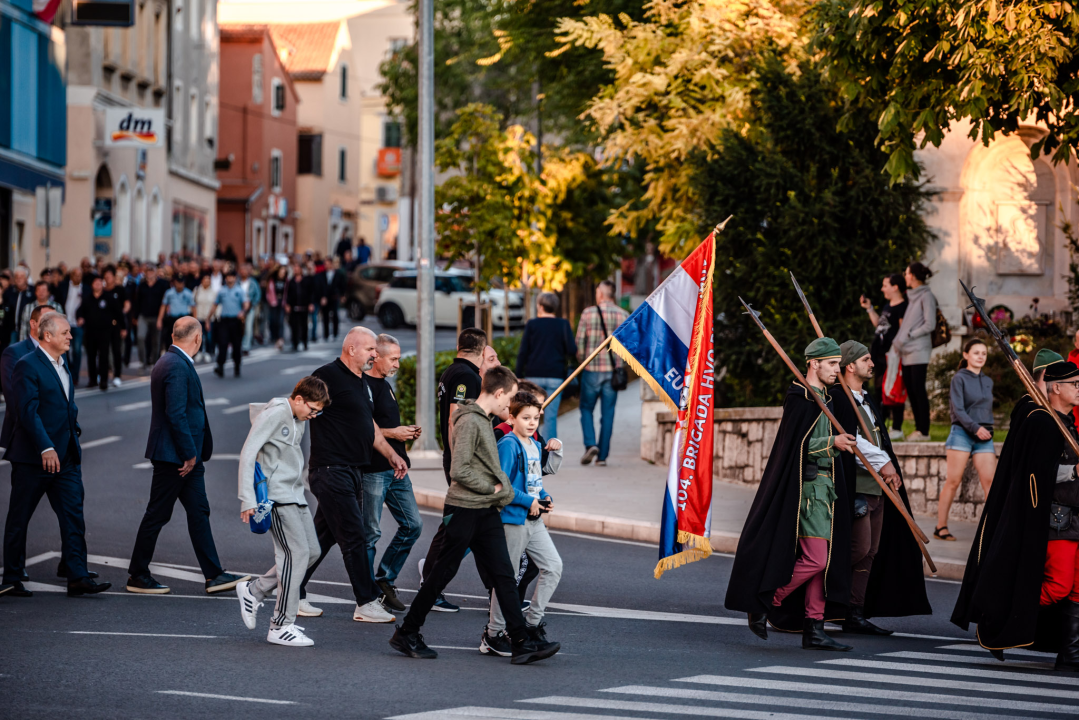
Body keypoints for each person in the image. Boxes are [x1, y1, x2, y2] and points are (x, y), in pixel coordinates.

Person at [389, 366, 561, 664]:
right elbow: (460, 470)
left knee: (505, 575)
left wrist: (498, 493)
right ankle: (407, 632)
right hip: (466, 508)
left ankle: (520, 641)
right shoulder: (470, 420)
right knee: (442, 573)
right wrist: (495, 488)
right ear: (497, 393)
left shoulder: (483, 419)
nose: (510, 406)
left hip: (485, 510)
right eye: (508, 399)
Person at [725, 337, 856, 651]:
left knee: (821, 564)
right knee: (816, 559)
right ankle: (768, 599)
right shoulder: (800, 398)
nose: (837, 371)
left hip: (827, 491)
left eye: (838, 364)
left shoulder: (828, 398)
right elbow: (794, 447)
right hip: (807, 490)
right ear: (814, 363)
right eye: (832, 364)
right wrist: (831, 444)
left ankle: (814, 627)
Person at [952, 360, 1079, 668]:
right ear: (1056, 387)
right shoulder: (1042, 420)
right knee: (1059, 584)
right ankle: (999, 621)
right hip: (1055, 518)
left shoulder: (1068, 421)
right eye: (1075, 384)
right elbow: (1037, 474)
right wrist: (1074, 470)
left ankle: (1071, 654)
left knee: (1076, 587)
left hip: (1075, 515)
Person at [126, 317, 249, 595]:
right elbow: (176, 413)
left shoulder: (169, 361)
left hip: (181, 456)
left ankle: (214, 574)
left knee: (198, 512)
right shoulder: (177, 366)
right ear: (197, 339)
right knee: (157, 514)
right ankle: (137, 573)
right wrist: (189, 454)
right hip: (177, 457)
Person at [295, 327, 407, 623]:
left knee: (322, 537)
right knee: (354, 536)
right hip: (331, 470)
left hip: (352, 471)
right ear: (352, 349)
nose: (375, 354)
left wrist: (391, 454)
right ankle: (366, 602)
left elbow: (368, 426)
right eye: (371, 349)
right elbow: (297, 402)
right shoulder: (327, 375)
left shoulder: (362, 383)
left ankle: (291, 591)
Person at [2, 312, 111, 597]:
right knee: (19, 518)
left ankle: (77, 576)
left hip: (65, 458)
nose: (70, 337)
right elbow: (27, 412)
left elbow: (65, 404)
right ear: (47, 336)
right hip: (33, 458)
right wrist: (45, 446)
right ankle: (12, 576)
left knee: (74, 516)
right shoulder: (27, 365)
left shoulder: (63, 364)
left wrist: (72, 429)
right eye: (65, 332)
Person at [832, 340, 931, 636]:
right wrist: (884, 462)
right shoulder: (839, 396)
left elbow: (878, 440)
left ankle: (853, 611)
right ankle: (811, 594)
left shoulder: (866, 398)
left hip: (878, 487)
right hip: (857, 487)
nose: (872, 363)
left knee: (871, 551)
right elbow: (851, 440)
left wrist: (890, 470)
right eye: (866, 359)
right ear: (850, 366)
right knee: (858, 547)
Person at [235, 376, 329, 647]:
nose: (314, 415)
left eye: (318, 412)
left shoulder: (298, 416)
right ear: (298, 399)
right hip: (275, 496)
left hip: (294, 493)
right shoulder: (277, 413)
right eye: (312, 409)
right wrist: (247, 499)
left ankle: (255, 591)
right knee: (295, 554)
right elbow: (249, 452)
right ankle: (280, 625)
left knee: (311, 551)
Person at [480, 390, 564, 656]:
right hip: (512, 520)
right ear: (511, 417)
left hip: (534, 520)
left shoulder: (534, 446)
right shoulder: (508, 444)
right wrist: (529, 501)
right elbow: (500, 486)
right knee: (508, 578)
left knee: (553, 567)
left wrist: (545, 497)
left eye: (536, 418)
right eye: (525, 418)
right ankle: (493, 634)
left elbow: (535, 483)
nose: (531, 423)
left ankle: (531, 624)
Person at [415, 327, 489, 612]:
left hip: (457, 459)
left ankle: (498, 589)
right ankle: (430, 584)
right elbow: (455, 417)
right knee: (454, 528)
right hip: (461, 461)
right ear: (481, 351)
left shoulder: (451, 371)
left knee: (462, 526)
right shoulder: (466, 376)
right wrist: (463, 460)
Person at [361, 334, 423, 612]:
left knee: (413, 525)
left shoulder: (386, 385)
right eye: (394, 358)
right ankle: (368, 593)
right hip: (374, 470)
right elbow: (363, 429)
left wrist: (403, 435)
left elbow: (384, 427)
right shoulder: (364, 387)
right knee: (370, 533)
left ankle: (385, 579)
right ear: (376, 356)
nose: (398, 363)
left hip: (397, 468)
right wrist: (394, 432)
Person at [933, 338, 997, 541]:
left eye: (984, 353)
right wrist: (975, 428)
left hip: (984, 436)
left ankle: (991, 528)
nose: (980, 356)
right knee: (953, 481)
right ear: (966, 355)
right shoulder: (959, 379)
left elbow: (986, 410)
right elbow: (958, 410)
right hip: (962, 432)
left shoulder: (988, 381)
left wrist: (986, 428)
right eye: (976, 352)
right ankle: (940, 527)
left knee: (991, 483)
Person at [575, 280, 629, 466]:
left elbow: (580, 343)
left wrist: (582, 360)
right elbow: (627, 347)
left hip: (591, 371)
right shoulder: (624, 315)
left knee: (586, 408)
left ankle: (590, 443)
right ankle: (602, 456)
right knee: (608, 414)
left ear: (600, 294)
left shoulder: (588, 313)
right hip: (613, 372)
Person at [516, 292, 577, 441]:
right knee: (550, 417)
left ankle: (529, 448)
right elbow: (572, 350)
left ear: (540, 306)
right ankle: (547, 454)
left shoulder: (532, 324)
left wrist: (517, 375)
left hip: (532, 377)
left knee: (529, 415)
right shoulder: (563, 324)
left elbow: (523, 351)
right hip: (555, 376)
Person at [890, 262, 937, 440]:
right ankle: (919, 429)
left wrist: (910, 334)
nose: (905, 276)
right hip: (908, 350)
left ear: (914, 276)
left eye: (907, 273)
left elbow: (930, 324)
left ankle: (923, 431)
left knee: (918, 390)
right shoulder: (913, 297)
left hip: (919, 349)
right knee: (911, 390)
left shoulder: (926, 296)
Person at [859, 273, 908, 440]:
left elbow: (904, 331)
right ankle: (879, 426)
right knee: (880, 390)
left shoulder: (903, 307)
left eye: (885, 285)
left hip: (892, 356)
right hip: (878, 355)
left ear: (895, 287)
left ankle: (896, 427)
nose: (882, 288)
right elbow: (878, 324)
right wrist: (869, 308)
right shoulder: (888, 306)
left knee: (893, 390)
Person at [77, 276, 123, 392]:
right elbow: (80, 310)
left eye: (99, 283)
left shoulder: (109, 297)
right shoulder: (87, 298)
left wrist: (123, 327)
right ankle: (92, 379)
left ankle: (103, 380)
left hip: (105, 331)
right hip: (91, 331)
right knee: (91, 356)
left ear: (102, 284)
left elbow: (118, 312)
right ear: (92, 285)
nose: (97, 285)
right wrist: (80, 317)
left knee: (104, 356)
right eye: (95, 283)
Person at [211, 270, 250, 378]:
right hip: (224, 320)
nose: (230, 278)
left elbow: (246, 304)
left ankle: (237, 365)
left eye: (232, 276)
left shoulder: (239, 291)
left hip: (235, 321)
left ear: (235, 278)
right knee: (222, 343)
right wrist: (209, 317)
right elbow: (215, 304)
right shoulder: (222, 291)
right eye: (228, 276)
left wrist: (243, 312)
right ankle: (220, 366)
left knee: (236, 345)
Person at [133, 264, 167, 369]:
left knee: (156, 340)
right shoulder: (142, 285)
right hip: (143, 315)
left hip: (156, 316)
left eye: (152, 272)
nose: (150, 274)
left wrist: (161, 318)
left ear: (156, 273)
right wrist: (135, 317)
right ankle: (143, 361)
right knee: (140, 337)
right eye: (148, 272)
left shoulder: (162, 284)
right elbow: (137, 301)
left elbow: (164, 303)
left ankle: (155, 361)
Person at [57, 267, 84, 385]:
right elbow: (59, 301)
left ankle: (75, 376)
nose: (77, 277)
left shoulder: (86, 289)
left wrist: (83, 318)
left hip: (77, 324)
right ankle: (67, 372)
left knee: (77, 350)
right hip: (65, 322)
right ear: (71, 276)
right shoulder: (63, 286)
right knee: (64, 350)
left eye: (79, 275)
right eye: (75, 275)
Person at [158, 275, 195, 354]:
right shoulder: (169, 293)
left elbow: (193, 307)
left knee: (184, 339)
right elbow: (163, 306)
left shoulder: (188, 293)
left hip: (184, 319)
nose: (180, 285)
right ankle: (170, 354)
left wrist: (195, 321)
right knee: (170, 338)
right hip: (172, 319)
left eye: (181, 283)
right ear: (175, 282)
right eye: (178, 282)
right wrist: (159, 319)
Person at [284, 263, 313, 352]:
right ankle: (295, 343)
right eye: (294, 269)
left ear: (300, 270)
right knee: (294, 326)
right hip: (294, 307)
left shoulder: (306, 280)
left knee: (304, 326)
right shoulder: (291, 281)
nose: (296, 270)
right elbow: (287, 294)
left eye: (297, 269)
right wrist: (287, 304)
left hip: (304, 307)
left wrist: (310, 303)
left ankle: (304, 342)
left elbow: (310, 293)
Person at [4, 267, 33, 344]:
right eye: (16, 277)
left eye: (21, 277)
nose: (19, 279)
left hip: (27, 330)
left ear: (26, 278)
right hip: (11, 331)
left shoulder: (33, 292)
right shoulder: (9, 292)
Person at [319, 257, 346, 342]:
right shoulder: (322, 275)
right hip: (325, 298)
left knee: (335, 315)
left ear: (331, 264)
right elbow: (321, 286)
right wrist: (322, 296)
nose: (326, 265)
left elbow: (341, 285)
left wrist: (342, 295)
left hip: (334, 297)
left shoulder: (337, 274)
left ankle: (335, 333)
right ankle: (326, 334)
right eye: (325, 264)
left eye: (327, 264)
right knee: (325, 316)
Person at [192, 274, 216, 363]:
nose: (207, 282)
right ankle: (200, 352)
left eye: (208, 280)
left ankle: (208, 352)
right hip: (198, 316)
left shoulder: (213, 292)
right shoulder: (197, 290)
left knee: (209, 336)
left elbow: (215, 305)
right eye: (205, 280)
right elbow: (193, 304)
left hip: (209, 318)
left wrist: (213, 317)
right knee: (199, 336)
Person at [238, 263, 261, 353]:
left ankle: (246, 346)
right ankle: (239, 344)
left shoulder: (252, 282)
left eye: (245, 270)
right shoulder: (237, 282)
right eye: (242, 270)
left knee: (248, 327)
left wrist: (253, 303)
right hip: (239, 308)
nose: (243, 272)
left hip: (249, 308)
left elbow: (258, 295)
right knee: (239, 328)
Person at [267, 265, 287, 350]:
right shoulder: (272, 280)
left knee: (280, 321)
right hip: (273, 302)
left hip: (282, 302)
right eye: (281, 271)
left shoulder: (286, 280)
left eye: (284, 272)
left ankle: (280, 339)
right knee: (273, 321)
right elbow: (268, 291)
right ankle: (274, 337)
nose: (282, 273)